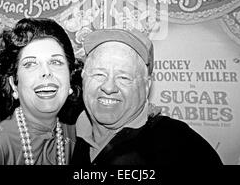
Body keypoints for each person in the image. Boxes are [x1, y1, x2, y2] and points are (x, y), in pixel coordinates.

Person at [71, 28, 223, 165]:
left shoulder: (182, 146)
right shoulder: (67, 136)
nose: (109, 87)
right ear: (83, 77)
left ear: (147, 85)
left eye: (124, 77)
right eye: (99, 74)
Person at [0, 18, 83, 165]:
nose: (46, 72)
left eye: (56, 62)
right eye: (30, 64)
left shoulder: (80, 136)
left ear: (70, 79)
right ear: (14, 84)